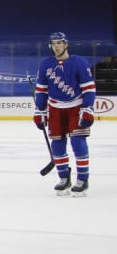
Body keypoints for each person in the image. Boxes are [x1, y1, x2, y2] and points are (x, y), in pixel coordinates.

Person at [34, 31, 96, 196]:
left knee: (78, 142)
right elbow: (41, 90)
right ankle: (64, 177)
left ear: (66, 44)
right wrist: (39, 110)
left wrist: (88, 108)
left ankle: (83, 179)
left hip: (76, 107)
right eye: (53, 44)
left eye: (60, 43)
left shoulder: (79, 62)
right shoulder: (46, 64)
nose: (56, 46)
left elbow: (89, 88)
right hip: (55, 108)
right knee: (57, 144)